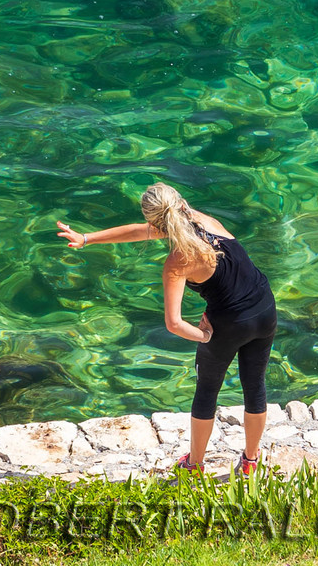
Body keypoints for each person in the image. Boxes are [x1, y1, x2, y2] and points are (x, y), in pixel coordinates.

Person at [56, 183, 277, 477]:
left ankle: (195, 465)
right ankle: (250, 461)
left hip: (228, 324)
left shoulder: (178, 261)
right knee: (255, 387)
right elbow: (139, 230)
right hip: (265, 310)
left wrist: (205, 336)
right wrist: (87, 238)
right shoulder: (205, 221)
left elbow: (174, 324)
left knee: (207, 392)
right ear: (181, 204)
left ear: (154, 221)